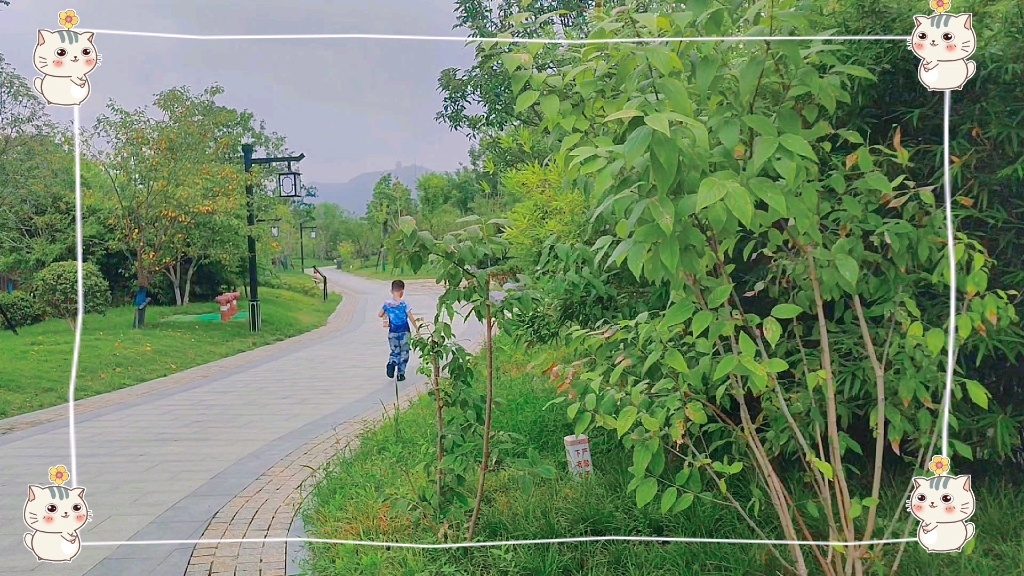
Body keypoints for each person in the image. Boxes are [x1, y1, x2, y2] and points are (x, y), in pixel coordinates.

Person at [378, 279, 418, 381]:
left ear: (391, 291)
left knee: (395, 351)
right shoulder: (404, 304)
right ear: (402, 291)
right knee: (404, 352)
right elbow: (410, 317)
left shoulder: (387, 304)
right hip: (405, 332)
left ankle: (392, 363)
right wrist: (417, 329)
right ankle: (401, 374)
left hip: (392, 332)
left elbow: (379, 314)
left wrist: (386, 313)